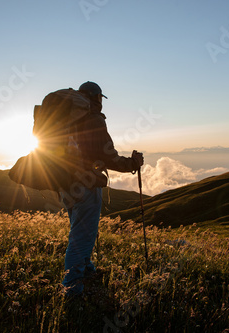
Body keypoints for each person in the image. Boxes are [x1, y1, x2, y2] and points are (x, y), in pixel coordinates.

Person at [61, 81, 144, 297]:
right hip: (86, 184)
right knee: (82, 235)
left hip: (64, 183)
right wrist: (133, 164)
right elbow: (110, 156)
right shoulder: (93, 119)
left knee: (80, 230)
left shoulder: (66, 118)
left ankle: (86, 270)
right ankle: (72, 287)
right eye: (100, 98)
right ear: (97, 97)